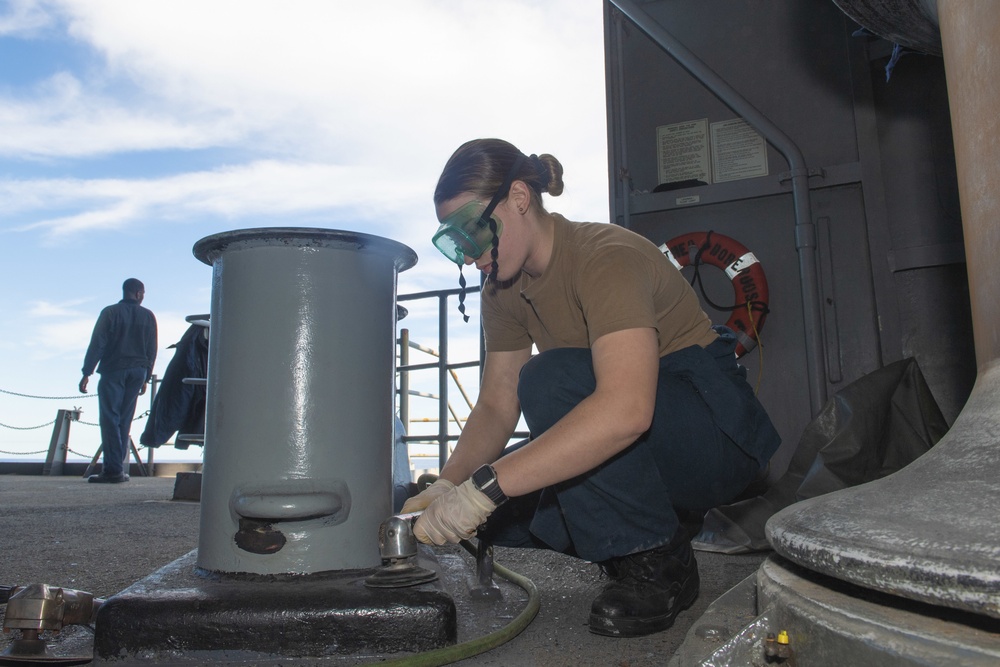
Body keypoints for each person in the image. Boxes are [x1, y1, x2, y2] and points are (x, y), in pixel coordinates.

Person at [402, 139, 781, 638]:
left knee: (547, 379)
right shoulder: (502, 287)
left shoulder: (606, 257)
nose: (472, 257)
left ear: (519, 197)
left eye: (472, 231)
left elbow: (626, 409)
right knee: (504, 526)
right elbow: (496, 404)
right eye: (457, 243)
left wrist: (486, 487)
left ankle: (659, 561)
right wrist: (451, 485)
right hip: (642, 439)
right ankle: (650, 528)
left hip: (714, 437)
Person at [79, 278, 158, 484]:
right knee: (124, 420)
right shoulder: (148, 316)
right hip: (138, 372)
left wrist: (87, 372)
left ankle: (113, 470)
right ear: (139, 293)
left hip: (114, 370)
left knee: (109, 418)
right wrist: (146, 377)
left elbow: (98, 343)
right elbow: (152, 349)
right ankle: (117, 468)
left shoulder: (110, 313)